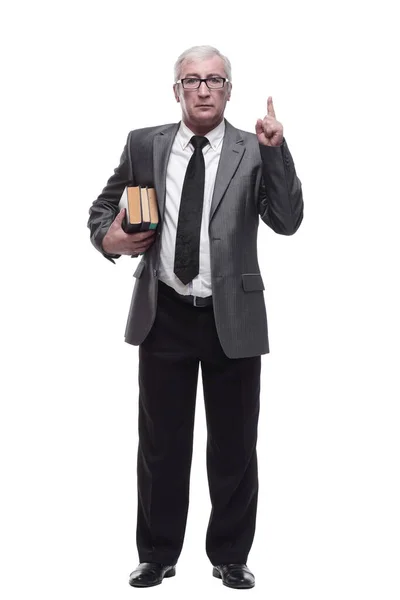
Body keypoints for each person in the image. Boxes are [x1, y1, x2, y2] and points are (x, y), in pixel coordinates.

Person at [87, 44, 304, 589]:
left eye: (214, 80)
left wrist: (277, 153)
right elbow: (102, 210)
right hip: (165, 312)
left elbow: (287, 219)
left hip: (233, 315)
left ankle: (231, 555)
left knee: (234, 444)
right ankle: (157, 553)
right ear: (177, 89)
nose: (203, 88)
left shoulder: (255, 149)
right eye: (192, 80)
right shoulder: (145, 144)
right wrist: (111, 237)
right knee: (162, 445)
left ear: (229, 90)